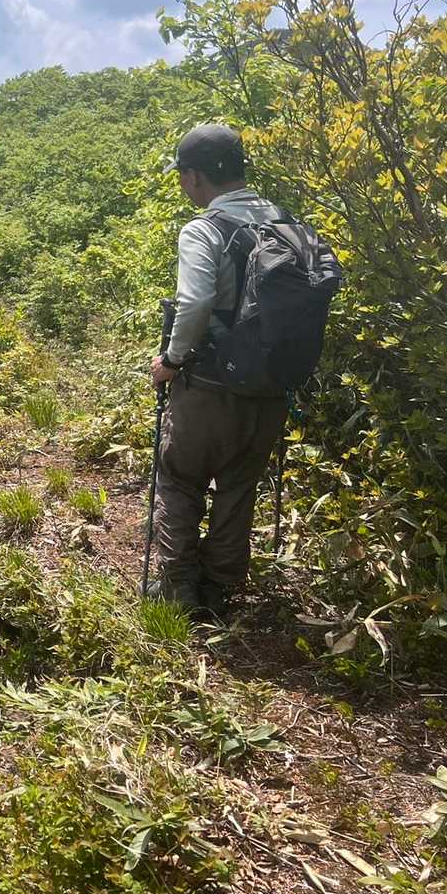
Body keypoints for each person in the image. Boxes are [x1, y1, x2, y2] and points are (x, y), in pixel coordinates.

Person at [147, 124, 289, 618]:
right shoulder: (285, 224)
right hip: (271, 389)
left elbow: (195, 302)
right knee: (238, 487)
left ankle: (178, 588)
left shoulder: (205, 229)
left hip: (209, 386)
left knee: (180, 479)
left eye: (182, 176)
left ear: (193, 176)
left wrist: (171, 360)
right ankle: (221, 588)